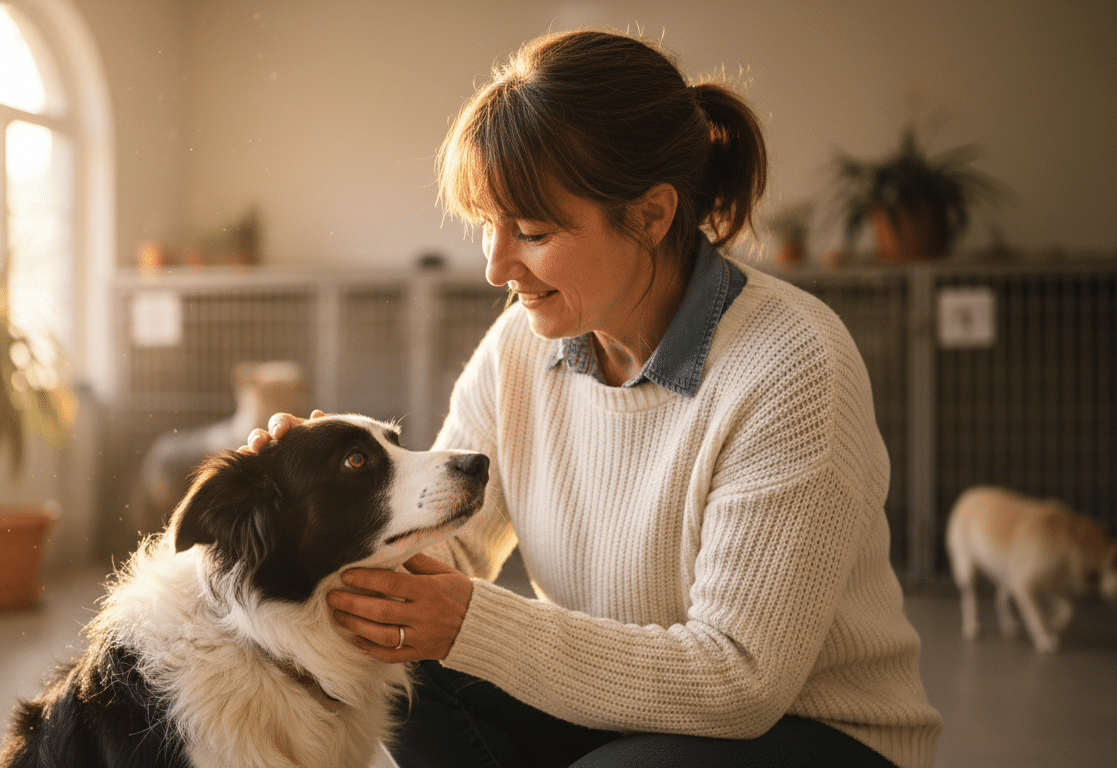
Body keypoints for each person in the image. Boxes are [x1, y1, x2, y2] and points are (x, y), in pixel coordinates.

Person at [247, 29, 941, 768]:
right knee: (404, 665)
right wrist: (323, 502)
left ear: (651, 215)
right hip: (619, 707)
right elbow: (449, 546)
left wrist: (472, 625)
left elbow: (739, 681)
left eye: (532, 231)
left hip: (812, 730)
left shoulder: (791, 364)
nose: (496, 266)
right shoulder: (521, 346)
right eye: (488, 226)